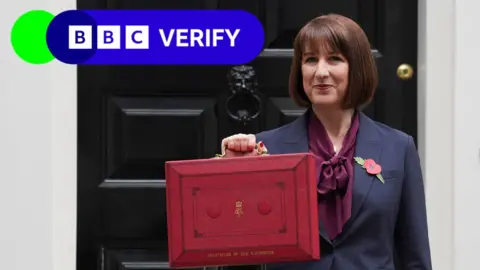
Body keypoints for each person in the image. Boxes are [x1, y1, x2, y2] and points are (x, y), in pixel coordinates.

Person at [217, 14, 432, 270]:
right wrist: (231, 173)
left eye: (334, 59)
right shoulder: (265, 150)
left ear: (357, 67)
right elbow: (240, 255)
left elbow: (415, 256)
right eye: (310, 60)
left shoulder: (399, 147)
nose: (320, 72)